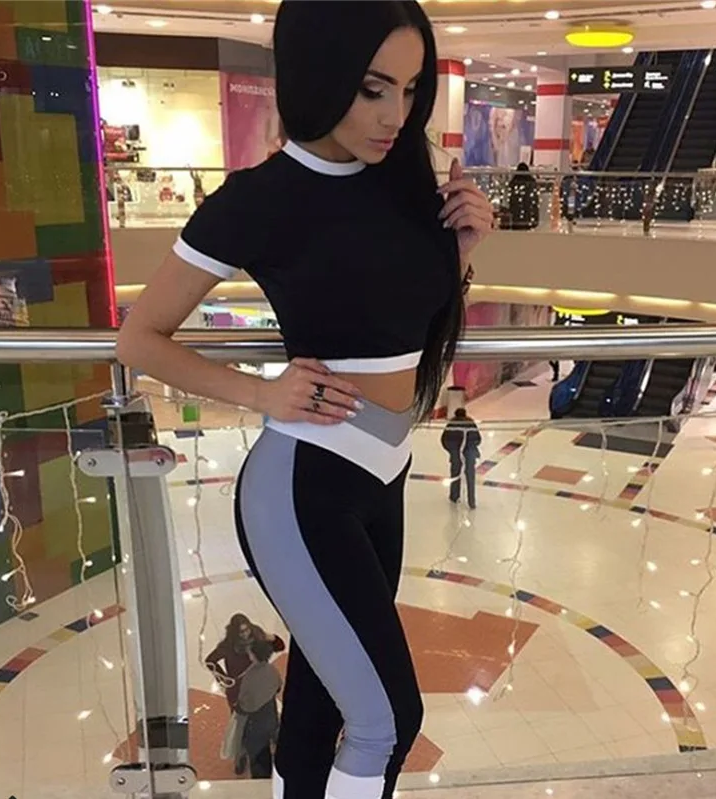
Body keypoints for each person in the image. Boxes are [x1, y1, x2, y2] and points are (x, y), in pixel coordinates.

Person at [115, 3, 493, 798]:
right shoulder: (260, 198)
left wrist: (459, 251)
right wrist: (261, 391)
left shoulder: (403, 184)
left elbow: (403, 323)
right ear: (319, 76)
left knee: (320, 704)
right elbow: (139, 337)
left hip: (384, 475)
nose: (395, 115)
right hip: (302, 489)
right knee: (387, 717)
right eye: (373, 89)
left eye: (410, 91)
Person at [205, 614, 286, 775]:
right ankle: (241, 754)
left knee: (265, 716)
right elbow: (210, 661)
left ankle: (268, 741)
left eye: (247, 630)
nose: (245, 634)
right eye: (241, 632)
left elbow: (278, 646)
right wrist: (224, 678)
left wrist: (271, 637)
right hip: (239, 691)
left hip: (260, 685)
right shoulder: (228, 646)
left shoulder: (257, 635)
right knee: (241, 726)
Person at [441, 408, 482, 510]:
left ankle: (454, 496)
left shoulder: (452, 424)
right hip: (469, 454)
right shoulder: (470, 423)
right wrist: (471, 447)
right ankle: (471, 501)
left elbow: (444, 440)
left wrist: (452, 451)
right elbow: (478, 439)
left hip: (456, 455)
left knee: (455, 474)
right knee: (470, 477)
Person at [508, 162, 539, 230]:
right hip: (528, 214)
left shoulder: (513, 182)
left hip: (516, 216)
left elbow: (511, 200)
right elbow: (535, 200)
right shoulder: (532, 183)